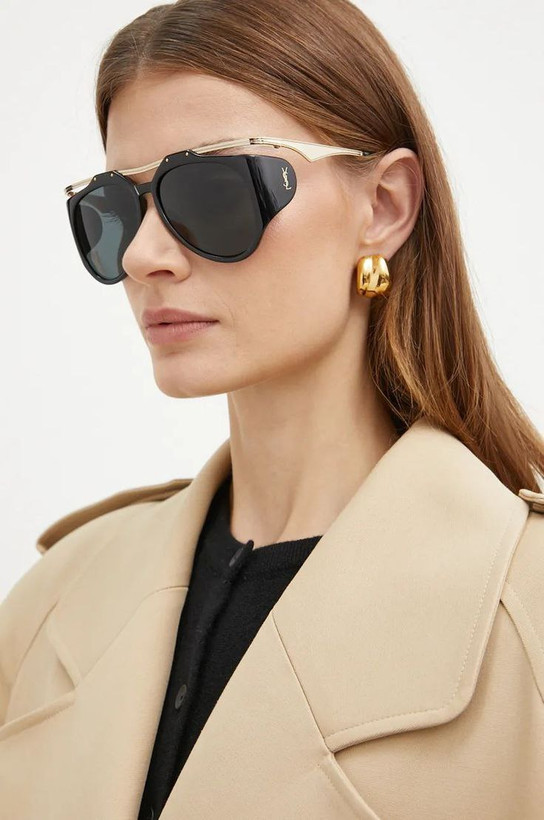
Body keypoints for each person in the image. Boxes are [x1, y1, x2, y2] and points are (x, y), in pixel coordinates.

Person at [1, 0, 543, 818]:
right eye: (114, 207)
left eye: (216, 191)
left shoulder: (528, 607)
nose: (144, 257)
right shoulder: (55, 599)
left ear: (384, 206)